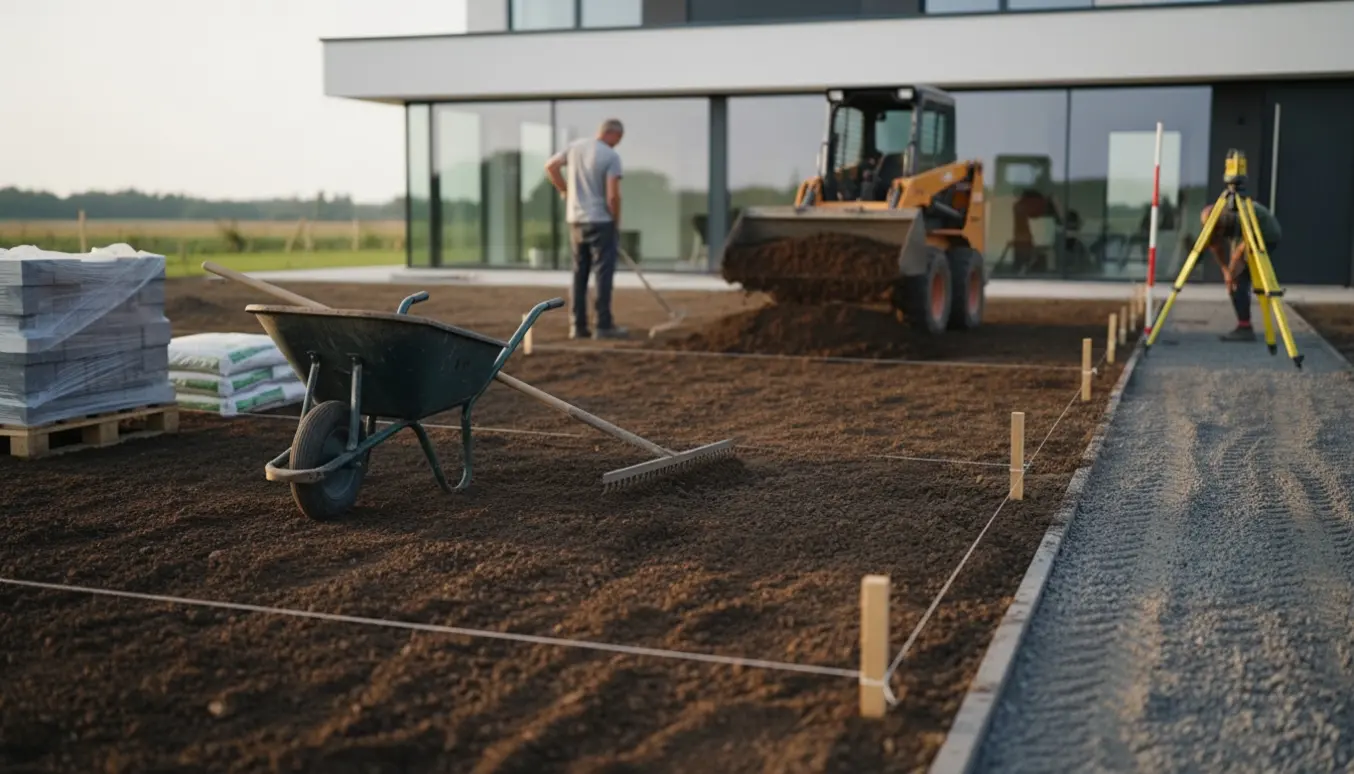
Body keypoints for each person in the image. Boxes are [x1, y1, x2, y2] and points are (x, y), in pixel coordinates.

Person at [545, 118, 629, 340]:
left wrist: (565, 191)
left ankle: (578, 326)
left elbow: (551, 166)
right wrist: (616, 222)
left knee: (579, 273)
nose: (618, 143)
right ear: (612, 134)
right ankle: (603, 326)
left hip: (576, 221)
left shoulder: (575, 147)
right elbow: (613, 196)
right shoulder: (611, 156)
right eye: (618, 138)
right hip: (601, 221)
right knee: (603, 274)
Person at [1200, 200, 1282, 342]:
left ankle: (1245, 327)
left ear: (1224, 220)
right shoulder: (1214, 222)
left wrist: (1232, 273)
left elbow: (1239, 253)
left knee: (1238, 279)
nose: (1219, 233)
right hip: (1244, 234)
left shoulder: (1240, 215)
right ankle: (1244, 324)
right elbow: (1215, 246)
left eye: (1219, 229)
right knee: (1234, 278)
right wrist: (1225, 270)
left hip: (1265, 234)